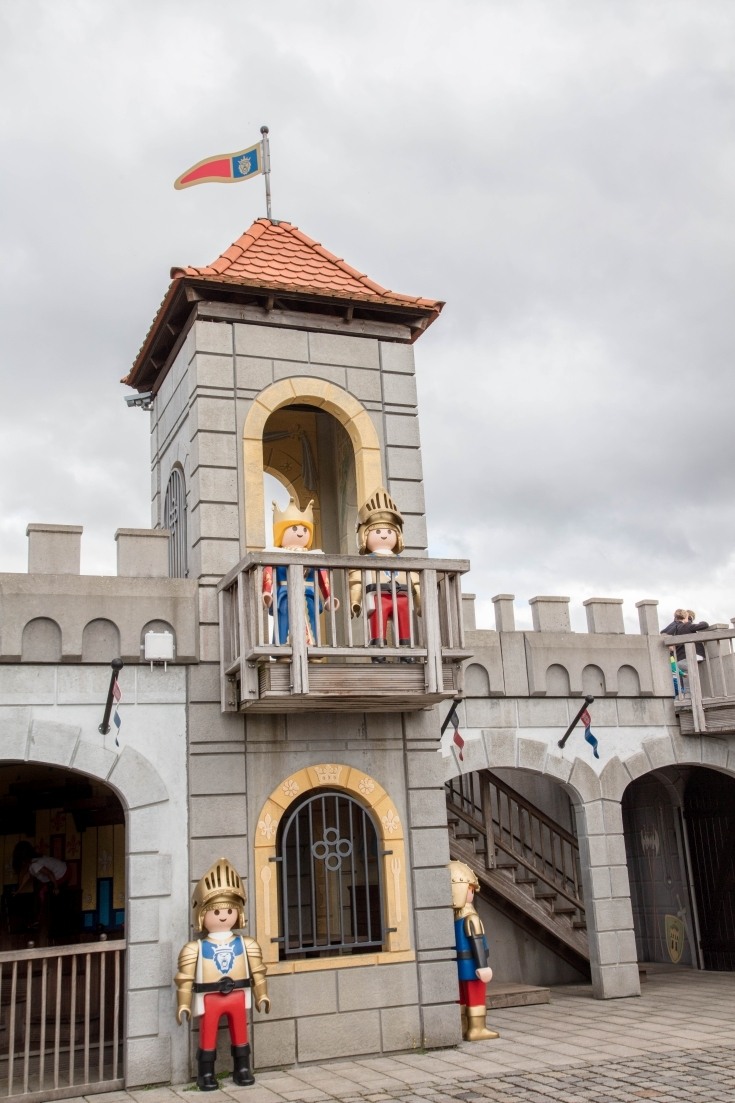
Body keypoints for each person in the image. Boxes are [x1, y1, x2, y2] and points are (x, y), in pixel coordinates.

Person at [175, 857, 270, 1090]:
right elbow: (185, 978)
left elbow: (257, 970)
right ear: (202, 915)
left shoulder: (246, 943)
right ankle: (205, 1073)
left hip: (237, 994)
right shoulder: (195, 948)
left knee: (241, 1032)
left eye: (229, 910)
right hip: (210, 997)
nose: (223, 916)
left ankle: (243, 1068)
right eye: (216, 911)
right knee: (207, 1035)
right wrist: (184, 1003)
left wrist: (262, 995)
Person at [348, 487, 421, 662]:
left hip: (401, 595)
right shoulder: (366, 561)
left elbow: (415, 582)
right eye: (378, 531)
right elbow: (356, 581)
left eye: (389, 531)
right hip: (379, 596)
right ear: (365, 536)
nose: (383, 535)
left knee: (405, 621)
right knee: (378, 619)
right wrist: (355, 601)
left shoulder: (404, 562)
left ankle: (406, 653)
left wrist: (419, 601)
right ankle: (378, 652)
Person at [262, 497, 338, 648]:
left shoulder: (314, 555)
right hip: (284, 592)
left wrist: (329, 596)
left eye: (305, 530)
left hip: (308, 592)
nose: (300, 533)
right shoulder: (275, 554)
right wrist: (267, 593)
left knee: (312, 614)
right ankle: (281, 645)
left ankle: (313, 647)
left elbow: (323, 577)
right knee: (283, 615)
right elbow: (268, 574)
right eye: (294, 529)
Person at [448, 859, 498, 1041]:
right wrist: (483, 966)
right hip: (473, 966)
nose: (472, 892)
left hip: (459, 967)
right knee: (476, 997)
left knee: (461, 997)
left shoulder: (454, 920)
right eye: (470, 889)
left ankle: (462, 1026)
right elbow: (476, 941)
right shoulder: (471, 918)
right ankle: (477, 1028)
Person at [660, 608, 709, 674]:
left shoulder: (671, 627)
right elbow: (704, 625)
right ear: (687, 617)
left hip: (675, 659)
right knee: (691, 680)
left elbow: (663, 633)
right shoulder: (686, 626)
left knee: (682, 681)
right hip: (687, 658)